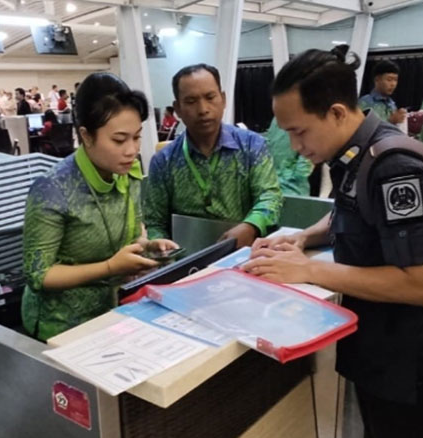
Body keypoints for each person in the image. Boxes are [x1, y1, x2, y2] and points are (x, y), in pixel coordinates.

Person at [245, 45, 423, 438]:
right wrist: (304, 238)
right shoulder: (356, 154)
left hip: (413, 365)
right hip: (383, 355)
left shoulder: (395, 169)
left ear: (338, 112)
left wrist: (309, 272)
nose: (295, 146)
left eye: (299, 131)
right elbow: (351, 214)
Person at [22, 73, 177, 341]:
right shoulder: (52, 188)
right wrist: (109, 267)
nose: (131, 150)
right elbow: (39, 275)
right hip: (61, 327)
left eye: (137, 137)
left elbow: (132, 233)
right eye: (119, 140)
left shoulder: (126, 173)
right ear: (86, 136)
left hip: (116, 311)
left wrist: (146, 246)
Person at [143, 63, 283, 248]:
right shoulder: (164, 161)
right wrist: (161, 247)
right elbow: (155, 221)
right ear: (177, 109)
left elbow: (270, 196)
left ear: (223, 99)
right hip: (185, 258)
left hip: (245, 253)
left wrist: (251, 226)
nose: (203, 109)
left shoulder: (252, 145)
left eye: (210, 97)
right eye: (191, 101)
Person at [263, 116, 314, 196]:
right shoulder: (278, 116)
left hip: (293, 189)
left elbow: (310, 150)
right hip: (271, 184)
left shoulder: (305, 115)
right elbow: (272, 140)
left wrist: (295, 176)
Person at [358, 60, 407, 125]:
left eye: (395, 80)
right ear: (377, 80)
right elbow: (363, 129)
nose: (393, 84)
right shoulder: (364, 103)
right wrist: (391, 121)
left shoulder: (392, 104)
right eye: (389, 80)